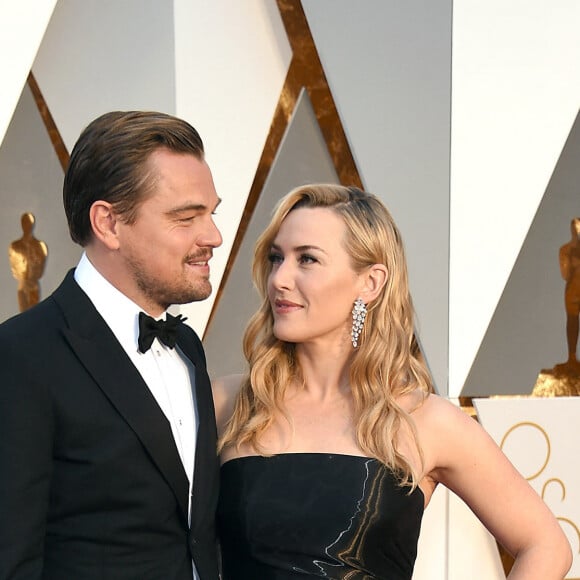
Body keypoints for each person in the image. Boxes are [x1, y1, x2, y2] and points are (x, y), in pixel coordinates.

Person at [212, 184, 572, 579]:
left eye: (308, 259)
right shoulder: (227, 404)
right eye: (276, 258)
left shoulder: (426, 421)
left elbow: (546, 546)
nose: (280, 278)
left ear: (370, 282)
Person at [0, 111, 223, 579]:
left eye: (211, 213)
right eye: (186, 217)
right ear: (108, 224)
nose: (212, 237)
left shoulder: (186, 347)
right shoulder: (21, 355)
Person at [8, 212, 48, 312]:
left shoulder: (39, 246)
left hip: (33, 284)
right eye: (25, 223)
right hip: (23, 284)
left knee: (34, 315)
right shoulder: (15, 246)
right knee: (23, 316)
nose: (27, 226)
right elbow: (14, 266)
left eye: (28, 223)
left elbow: (41, 265)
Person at [559, 217, 580, 367]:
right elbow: (565, 274)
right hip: (573, 290)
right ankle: (572, 356)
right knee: (572, 322)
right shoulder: (565, 250)